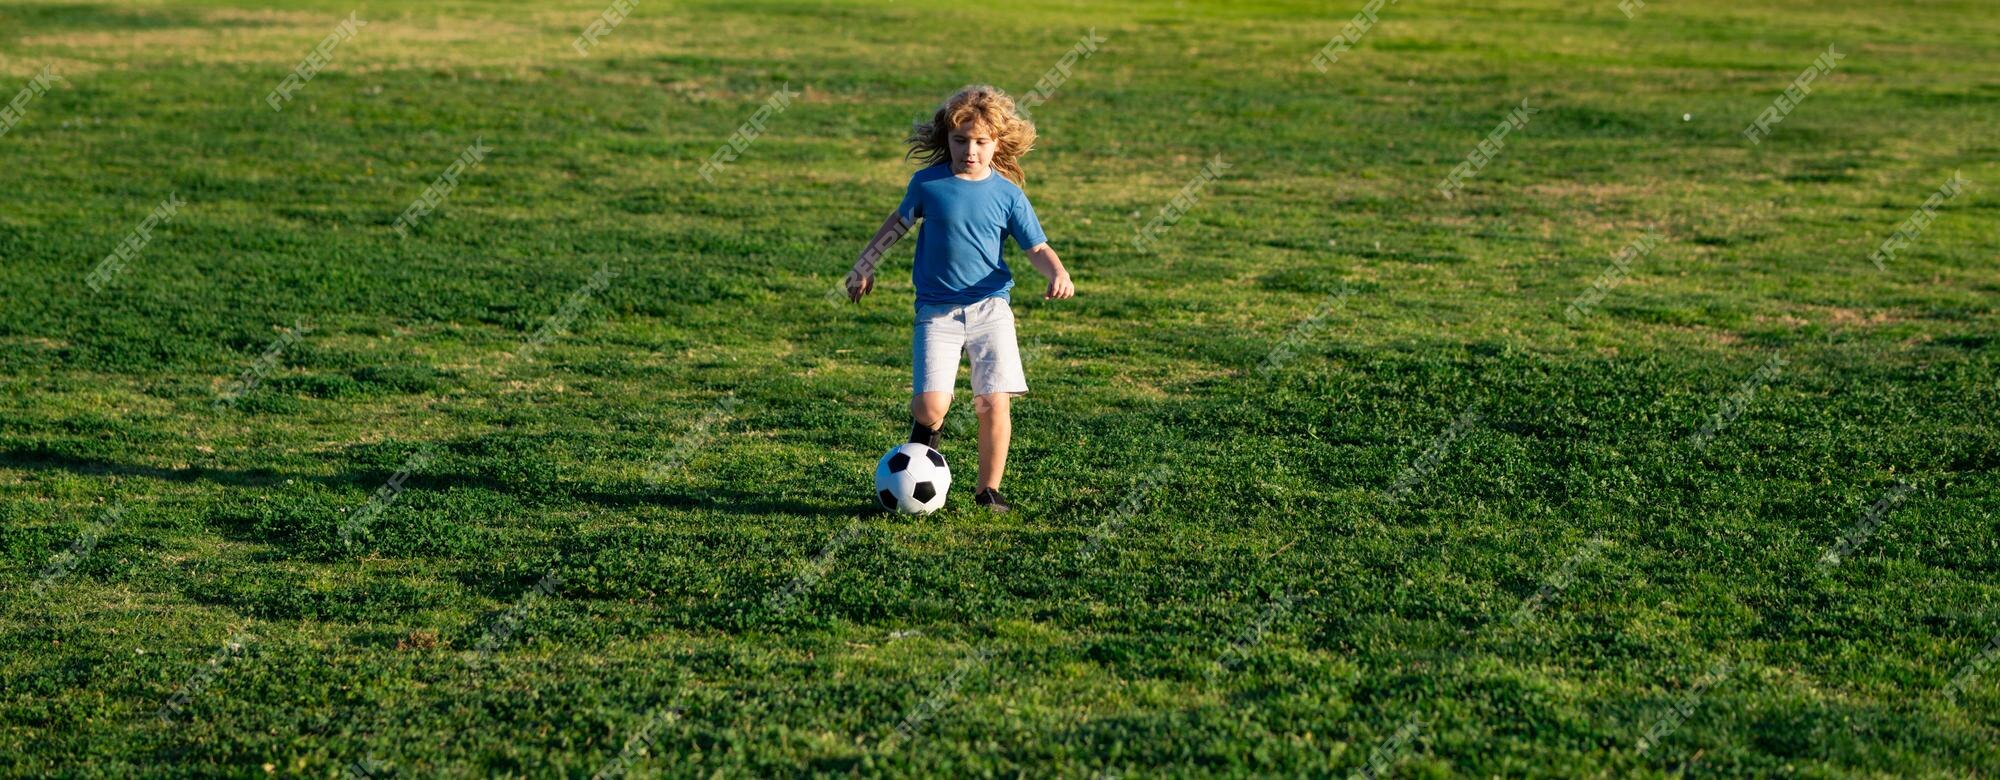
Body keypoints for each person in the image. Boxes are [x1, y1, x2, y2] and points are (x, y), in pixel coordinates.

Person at [845, 85, 1075, 513]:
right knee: (932, 405)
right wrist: (865, 264)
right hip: (936, 310)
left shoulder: (1008, 194)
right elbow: (897, 224)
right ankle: (926, 434)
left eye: (981, 142)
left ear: (997, 144)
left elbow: (1037, 248)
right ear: (946, 140)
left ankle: (989, 490)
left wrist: (1057, 272)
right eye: (960, 141)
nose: (970, 150)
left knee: (992, 401)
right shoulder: (928, 184)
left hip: (991, 308)